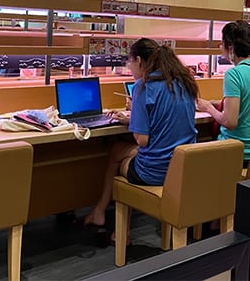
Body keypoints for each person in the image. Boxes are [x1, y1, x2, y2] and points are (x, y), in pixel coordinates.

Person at [83, 38, 199, 228]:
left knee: (115, 153)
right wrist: (133, 118)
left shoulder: (144, 86)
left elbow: (142, 140)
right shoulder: (184, 82)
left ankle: (113, 222)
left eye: (129, 62)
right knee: (119, 149)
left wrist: (136, 112)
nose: (129, 67)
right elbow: (163, 120)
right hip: (182, 167)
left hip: (155, 171)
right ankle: (101, 213)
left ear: (138, 60)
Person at [197, 20, 250, 166]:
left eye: (222, 44)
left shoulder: (233, 74)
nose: (221, 48)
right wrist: (219, 103)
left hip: (236, 152)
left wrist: (208, 108)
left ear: (231, 47)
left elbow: (230, 122)